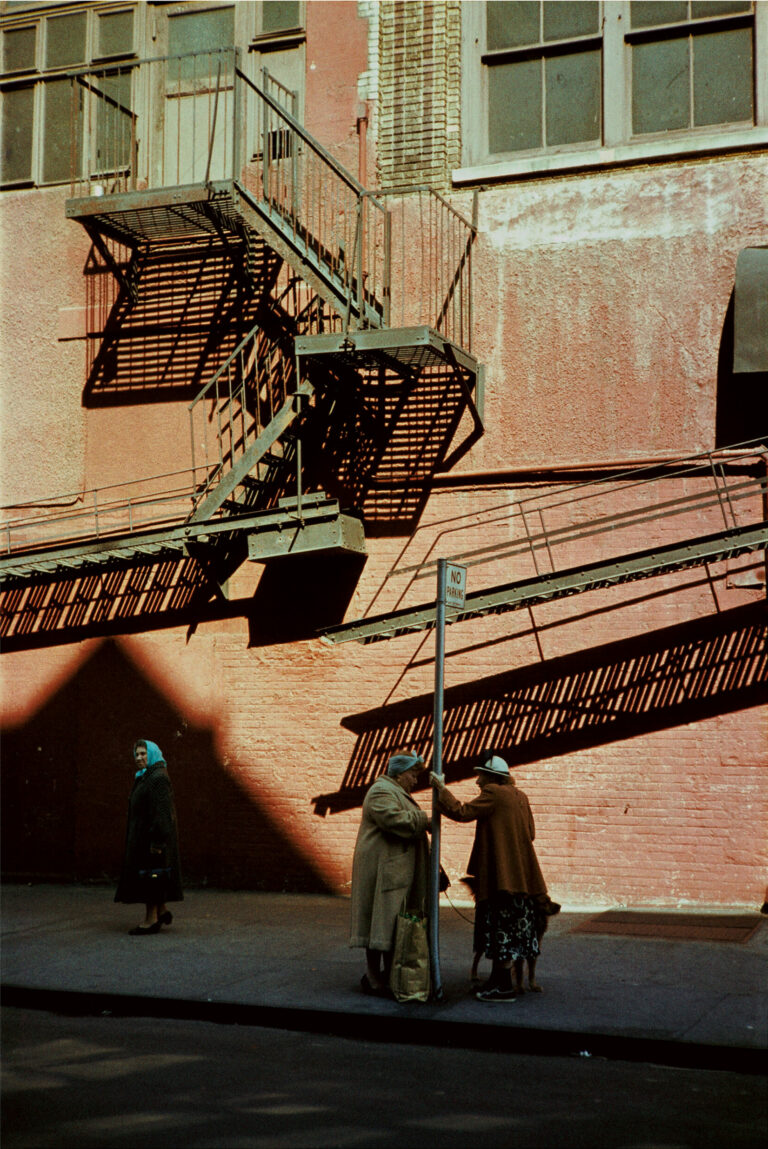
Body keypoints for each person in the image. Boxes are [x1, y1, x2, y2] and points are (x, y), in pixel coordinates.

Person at [430, 753, 551, 1003]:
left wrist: (441, 789)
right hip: (522, 879)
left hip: (501, 878)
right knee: (508, 929)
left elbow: (461, 812)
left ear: (492, 777)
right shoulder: (520, 796)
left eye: (480, 776)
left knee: (500, 930)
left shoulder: (494, 793)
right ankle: (496, 982)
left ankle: (503, 987)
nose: (477, 782)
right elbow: (531, 832)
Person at [349, 750, 430, 996]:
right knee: (379, 924)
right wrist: (425, 818)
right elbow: (395, 820)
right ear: (400, 773)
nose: (415, 780)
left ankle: (385, 975)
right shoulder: (380, 791)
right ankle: (373, 978)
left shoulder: (393, 791)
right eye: (413, 775)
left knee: (390, 925)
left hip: (393, 868)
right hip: (382, 870)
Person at [115, 739, 183, 935]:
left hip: (152, 838)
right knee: (154, 875)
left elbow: (162, 812)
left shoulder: (157, 778)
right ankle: (162, 910)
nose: (139, 758)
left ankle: (150, 920)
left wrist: (157, 841)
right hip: (147, 837)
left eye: (143, 754)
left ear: (152, 753)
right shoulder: (147, 776)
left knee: (150, 876)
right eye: (136, 754)